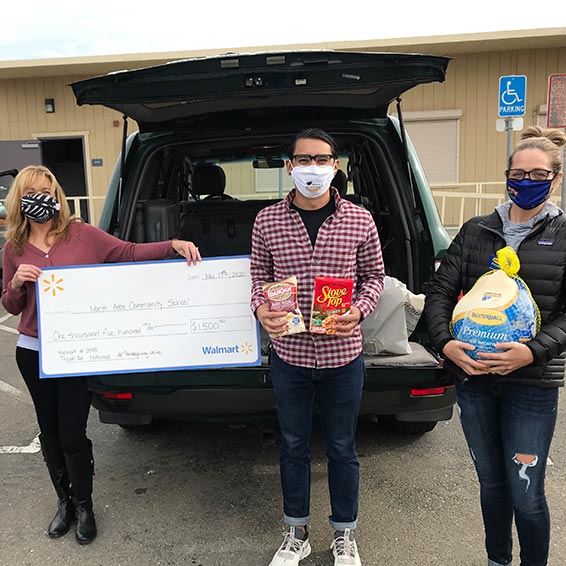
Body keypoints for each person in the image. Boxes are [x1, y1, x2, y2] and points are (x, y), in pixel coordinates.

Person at [1, 165, 201, 545]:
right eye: (31, 193)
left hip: (76, 354)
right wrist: (14, 283)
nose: (41, 198)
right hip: (33, 351)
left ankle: (85, 503)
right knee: (50, 432)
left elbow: (125, 252)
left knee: (73, 433)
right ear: (19, 200)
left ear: (56, 195)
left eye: (47, 190)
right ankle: (64, 503)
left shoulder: (80, 235)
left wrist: (171, 246)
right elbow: (10, 306)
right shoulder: (13, 247)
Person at [424, 126, 566, 566]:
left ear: (555, 178)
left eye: (537, 174)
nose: (526, 181)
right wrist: (446, 344)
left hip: (532, 383)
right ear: (506, 176)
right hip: (474, 379)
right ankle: (497, 560)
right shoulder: (475, 230)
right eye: (517, 173)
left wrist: (534, 350)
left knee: (526, 494)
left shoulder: (563, 234)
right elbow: (439, 293)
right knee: (492, 486)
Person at [250, 128, 384, 566]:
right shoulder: (267, 221)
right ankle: (297, 532)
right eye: (303, 160)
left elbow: (375, 278)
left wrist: (359, 311)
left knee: (343, 447)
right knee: (292, 445)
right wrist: (260, 309)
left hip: (343, 356)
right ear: (289, 167)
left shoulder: (359, 219)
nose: (313, 167)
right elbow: (257, 279)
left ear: (335, 166)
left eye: (322, 159)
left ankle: (344, 534)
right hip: (290, 355)